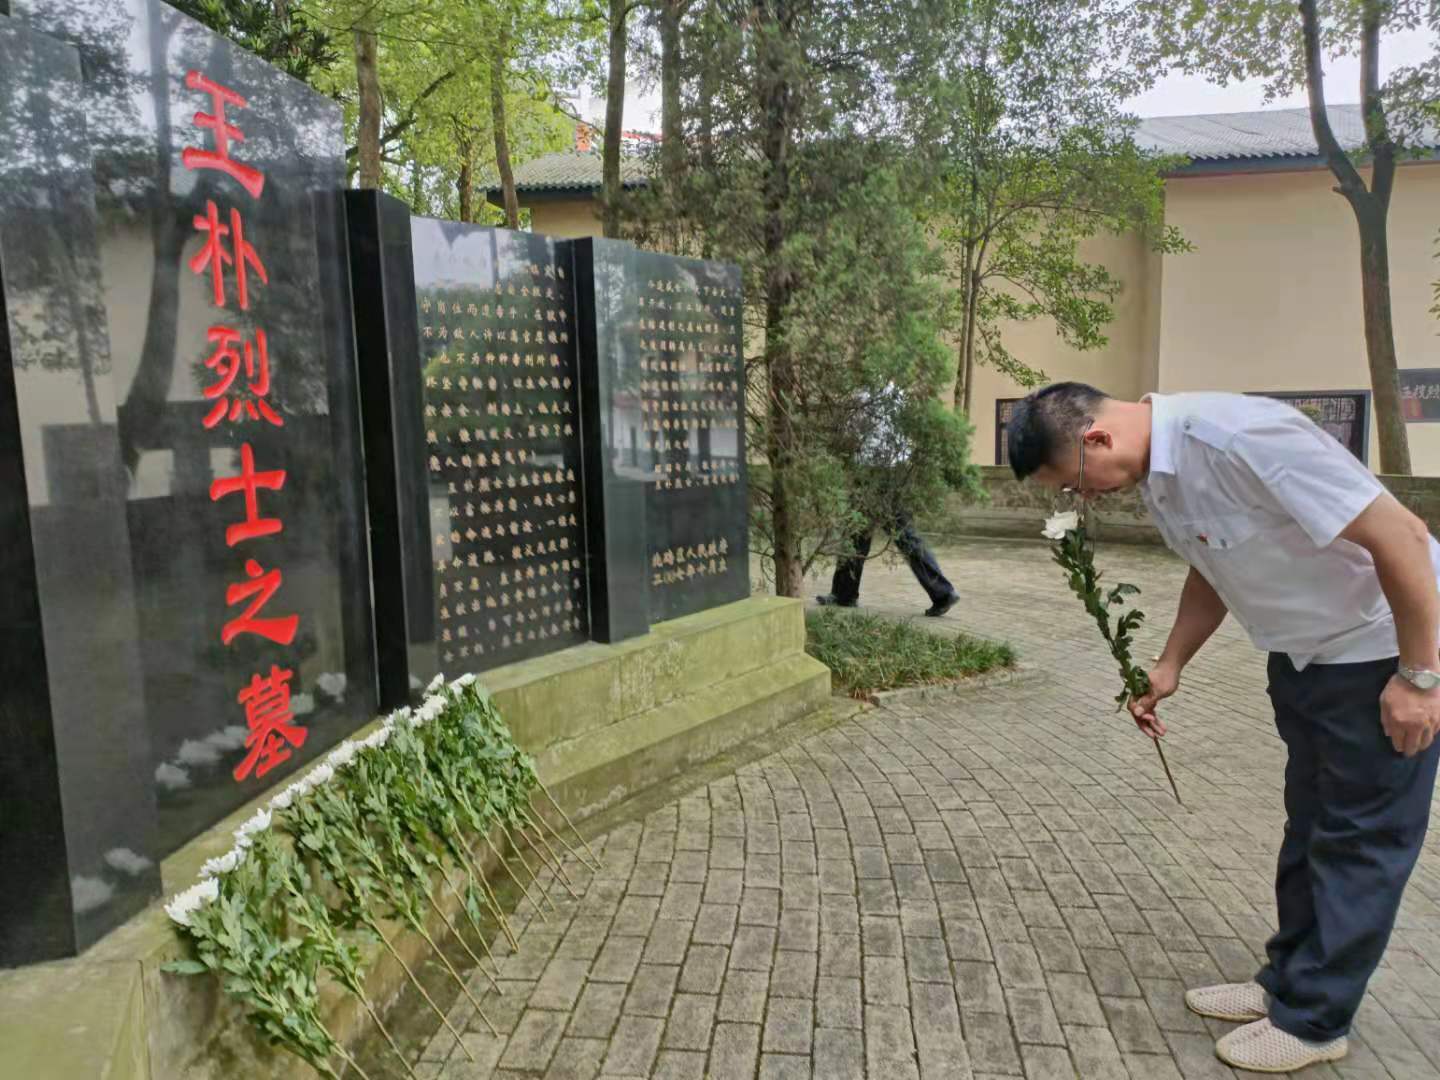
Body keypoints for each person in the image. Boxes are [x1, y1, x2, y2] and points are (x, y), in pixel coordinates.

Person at [1006, 382, 1440, 1073]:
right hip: (1306, 661)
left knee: (1360, 839)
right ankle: (1285, 984)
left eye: (1073, 485)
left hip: (1381, 653)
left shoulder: (1242, 439)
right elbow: (1213, 565)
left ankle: (1316, 1019)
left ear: (1095, 439)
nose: (1081, 500)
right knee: (1311, 828)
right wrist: (1170, 663)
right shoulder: (1161, 473)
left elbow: (1402, 535)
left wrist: (1419, 677)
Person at [816, 382, 959, 617]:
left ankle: (942, 592)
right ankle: (844, 593)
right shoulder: (897, 390)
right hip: (895, 469)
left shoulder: (863, 393)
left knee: (867, 532)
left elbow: (850, 434)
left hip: (874, 470)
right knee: (866, 533)